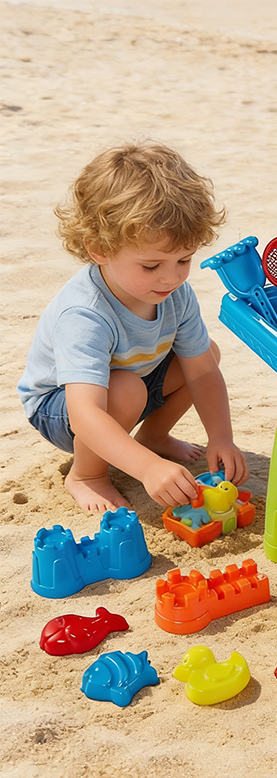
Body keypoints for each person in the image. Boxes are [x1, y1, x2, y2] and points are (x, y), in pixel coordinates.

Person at [17, 141, 249, 512]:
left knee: (207, 353)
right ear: (99, 249)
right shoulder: (84, 314)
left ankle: (153, 437)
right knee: (125, 390)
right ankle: (86, 474)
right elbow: (85, 413)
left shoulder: (176, 293)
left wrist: (221, 436)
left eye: (184, 259)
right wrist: (147, 469)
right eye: (151, 265)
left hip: (130, 382)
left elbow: (203, 374)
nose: (171, 277)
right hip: (61, 409)